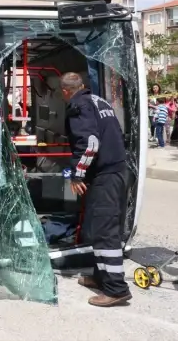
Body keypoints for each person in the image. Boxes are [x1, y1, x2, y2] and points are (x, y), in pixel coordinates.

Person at [60, 72, 131, 307]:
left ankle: (116, 289)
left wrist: (77, 173)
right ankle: (100, 277)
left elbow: (90, 142)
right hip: (116, 171)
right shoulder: (98, 101)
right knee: (98, 228)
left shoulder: (78, 105)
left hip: (106, 176)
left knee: (105, 231)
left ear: (65, 92)